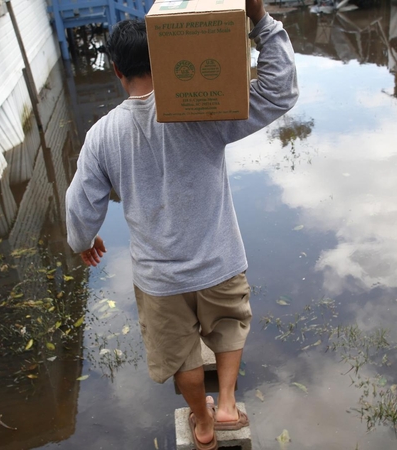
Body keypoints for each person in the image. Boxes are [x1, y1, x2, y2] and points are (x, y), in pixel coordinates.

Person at [65, 0, 298, 447]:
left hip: (160, 277)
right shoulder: (202, 109)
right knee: (229, 326)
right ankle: (227, 405)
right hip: (220, 260)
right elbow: (278, 92)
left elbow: (81, 206)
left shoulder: (101, 135)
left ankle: (204, 424)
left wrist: (82, 238)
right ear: (164, 54)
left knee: (182, 354)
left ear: (116, 71)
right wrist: (261, 21)